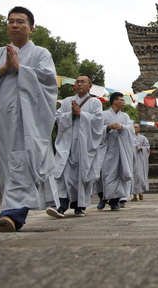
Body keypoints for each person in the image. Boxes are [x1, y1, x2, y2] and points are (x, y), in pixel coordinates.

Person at [0, 6, 59, 232]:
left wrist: (21, 68)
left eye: (20, 21)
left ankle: (12, 215)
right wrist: (2, 68)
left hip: (29, 120)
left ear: (31, 27)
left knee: (23, 162)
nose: (14, 25)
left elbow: (49, 82)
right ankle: (11, 212)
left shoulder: (41, 54)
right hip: (1, 120)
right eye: (11, 21)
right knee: (5, 165)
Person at [46, 75, 103, 219]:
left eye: (82, 82)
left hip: (84, 146)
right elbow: (57, 117)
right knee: (61, 172)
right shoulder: (66, 102)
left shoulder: (95, 102)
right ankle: (61, 205)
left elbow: (98, 122)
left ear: (90, 86)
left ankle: (79, 205)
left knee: (80, 175)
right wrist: (71, 114)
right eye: (77, 82)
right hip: (66, 144)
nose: (79, 84)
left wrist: (81, 114)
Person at [95, 92, 135, 211]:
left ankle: (114, 201)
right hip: (106, 149)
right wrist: (107, 127)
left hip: (120, 150)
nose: (123, 102)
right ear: (115, 101)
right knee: (104, 174)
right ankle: (103, 197)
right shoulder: (103, 115)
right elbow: (96, 131)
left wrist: (122, 128)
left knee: (119, 175)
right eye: (121, 100)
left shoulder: (125, 117)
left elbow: (131, 129)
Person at [130, 123, 150, 202]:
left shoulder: (143, 138)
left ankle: (140, 193)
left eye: (136, 127)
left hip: (140, 160)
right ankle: (134, 195)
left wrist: (142, 148)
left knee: (139, 176)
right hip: (131, 160)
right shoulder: (130, 137)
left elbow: (147, 147)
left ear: (139, 128)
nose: (135, 129)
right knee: (133, 177)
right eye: (133, 127)